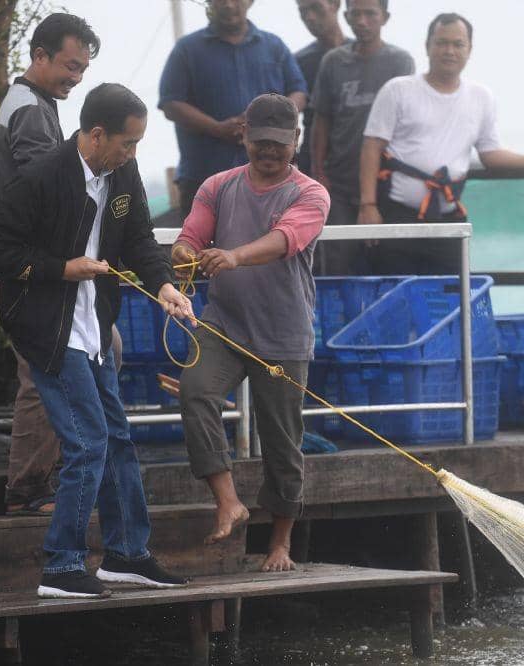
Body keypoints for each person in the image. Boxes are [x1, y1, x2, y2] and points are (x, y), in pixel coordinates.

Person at [0, 83, 193, 598]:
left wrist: (162, 284)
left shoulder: (123, 173)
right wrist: (60, 268)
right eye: (127, 143)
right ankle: (62, 564)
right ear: (96, 136)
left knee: (117, 437)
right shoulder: (44, 176)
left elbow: (139, 234)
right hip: (49, 327)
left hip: (94, 326)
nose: (132, 154)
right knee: (88, 441)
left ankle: (126, 553)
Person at [172, 94, 329, 573]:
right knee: (196, 391)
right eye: (260, 141)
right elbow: (191, 235)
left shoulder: (311, 194)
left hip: (283, 332)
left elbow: (286, 239)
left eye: (280, 144)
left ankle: (280, 541)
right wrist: (183, 251)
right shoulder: (217, 186)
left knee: (282, 442)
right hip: (224, 323)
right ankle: (228, 500)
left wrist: (235, 255)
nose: (269, 151)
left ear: (295, 141)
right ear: (244, 136)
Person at [0, 12, 104, 516]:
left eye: (82, 69)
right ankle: (29, 486)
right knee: (40, 374)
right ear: (39, 55)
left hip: (38, 266)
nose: (76, 78)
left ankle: (53, 475)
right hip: (30, 269)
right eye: (69, 65)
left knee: (96, 351)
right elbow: (49, 192)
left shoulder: (33, 102)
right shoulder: (32, 113)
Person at [358, 12, 524, 275]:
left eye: (458, 44)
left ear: (469, 50)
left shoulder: (481, 97)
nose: (449, 51)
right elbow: (371, 147)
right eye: (441, 43)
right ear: (427, 46)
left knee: (452, 295)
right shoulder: (398, 90)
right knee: (396, 295)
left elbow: (490, 154)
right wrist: (368, 206)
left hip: (448, 218)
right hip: (397, 215)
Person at [159, 0, 308, 219]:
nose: (229, 5)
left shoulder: (275, 47)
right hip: (204, 180)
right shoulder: (187, 49)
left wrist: (268, 123)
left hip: (272, 178)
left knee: (270, 248)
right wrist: (217, 128)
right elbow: (171, 103)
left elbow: (299, 92)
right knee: (201, 252)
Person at [310, 0, 413, 275]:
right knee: (336, 263)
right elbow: (322, 121)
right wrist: (319, 172)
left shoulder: (400, 62)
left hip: (386, 184)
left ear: (385, 17)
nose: (363, 21)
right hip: (340, 183)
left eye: (371, 14)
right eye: (356, 14)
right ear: (346, 16)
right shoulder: (333, 62)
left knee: (388, 261)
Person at [294, 0, 349, 175]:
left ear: (335, 4)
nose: (310, 17)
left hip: (356, 160)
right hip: (313, 164)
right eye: (303, 12)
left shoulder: (363, 55)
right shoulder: (298, 61)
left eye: (316, 8)